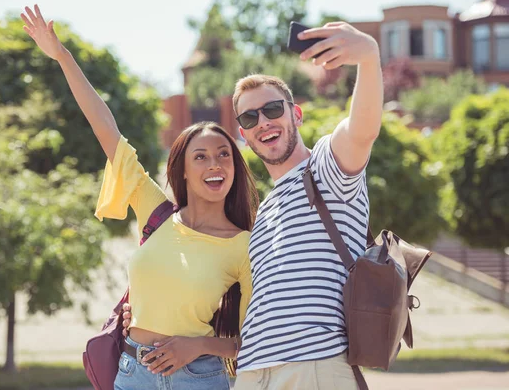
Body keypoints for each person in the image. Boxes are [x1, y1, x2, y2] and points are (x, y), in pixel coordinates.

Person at [123, 22, 383, 390]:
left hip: (311, 365)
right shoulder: (265, 212)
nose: (263, 121)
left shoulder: (326, 169)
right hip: (251, 372)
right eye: (249, 117)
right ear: (243, 135)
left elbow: (362, 130)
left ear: (296, 115)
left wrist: (368, 58)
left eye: (273, 109)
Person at [20, 4, 259, 390]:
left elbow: (249, 341)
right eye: (201, 156)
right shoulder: (158, 213)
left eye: (223, 155)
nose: (215, 164)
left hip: (198, 379)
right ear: (182, 168)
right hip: (132, 373)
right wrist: (62, 56)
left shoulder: (244, 245)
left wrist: (196, 345)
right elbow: (106, 129)